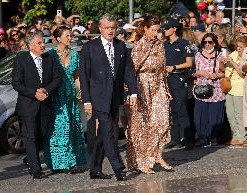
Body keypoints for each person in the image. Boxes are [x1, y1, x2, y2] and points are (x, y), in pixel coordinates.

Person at [79, 13, 137, 181]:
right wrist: (87, 100)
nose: (110, 31)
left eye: (113, 28)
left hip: (115, 97)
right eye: (107, 28)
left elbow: (128, 71)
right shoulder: (90, 47)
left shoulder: (121, 46)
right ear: (100, 28)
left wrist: (133, 91)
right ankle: (118, 168)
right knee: (110, 131)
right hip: (98, 98)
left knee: (103, 134)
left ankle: (95, 169)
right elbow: (84, 76)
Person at [126, 15, 172, 174]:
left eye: (157, 30)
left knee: (163, 120)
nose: (155, 33)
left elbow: (163, 67)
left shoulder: (160, 45)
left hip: (158, 83)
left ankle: (157, 154)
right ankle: (143, 161)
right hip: (142, 84)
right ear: (145, 29)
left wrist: (165, 89)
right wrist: (132, 91)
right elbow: (132, 69)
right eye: (153, 30)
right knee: (144, 124)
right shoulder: (139, 45)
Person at [12, 30, 61, 179]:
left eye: (43, 42)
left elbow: (58, 79)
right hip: (28, 106)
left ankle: (29, 159)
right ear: (30, 46)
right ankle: (35, 169)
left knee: (41, 134)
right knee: (30, 136)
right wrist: (35, 93)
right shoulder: (21, 59)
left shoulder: (49, 58)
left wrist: (46, 91)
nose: (42, 45)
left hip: (45, 105)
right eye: (39, 43)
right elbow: (16, 83)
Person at [43, 25, 87, 173]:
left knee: (73, 129)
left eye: (70, 35)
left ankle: (72, 161)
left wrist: (81, 92)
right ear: (58, 38)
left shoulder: (75, 55)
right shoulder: (50, 55)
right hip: (56, 98)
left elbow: (76, 76)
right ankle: (57, 163)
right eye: (67, 35)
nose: (70, 38)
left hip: (70, 98)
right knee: (59, 129)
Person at [162, 18, 194, 150]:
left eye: (167, 28)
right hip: (167, 80)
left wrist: (174, 67)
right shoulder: (164, 44)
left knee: (182, 110)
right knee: (172, 111)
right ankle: (175, 139)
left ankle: (189, 139)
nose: (165, 30)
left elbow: (189, 63)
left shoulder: (183, 43)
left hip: (179, 79)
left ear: (174, 29)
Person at [193, 33, 225, 146]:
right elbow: (193, 72)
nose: (207, 44)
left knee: (215, 115)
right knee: (200, 115)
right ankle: (202, 137)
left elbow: (224, 73)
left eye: (209, 42)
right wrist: (200, 73)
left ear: (214, 43)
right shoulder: (198, 55)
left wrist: (216, 75)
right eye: (205, 42)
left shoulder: (221, 55)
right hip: (201, 88)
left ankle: (214, 137)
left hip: (216, 89)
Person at [222, 36, 247, 146]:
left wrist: (232, 62)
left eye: (241, 46)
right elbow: (223, 69)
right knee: (230, 113)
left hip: (239, 88)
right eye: (237, 46)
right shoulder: (233, 54)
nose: (239, 48)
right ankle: (235, 135)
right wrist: (222, 61)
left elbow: (242, 73)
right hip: (229, 87)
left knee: (239, 114)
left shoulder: (244, 56)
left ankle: (242, 136)